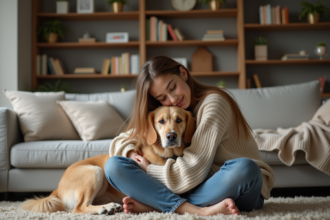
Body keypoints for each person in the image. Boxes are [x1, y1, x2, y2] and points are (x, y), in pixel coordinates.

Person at [104, 56, 275, 216]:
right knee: (113, 166)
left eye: (172, 87)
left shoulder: (214, 103)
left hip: (236, 187)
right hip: (197, 187)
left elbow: (191, 172)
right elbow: (121, 140)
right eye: (162, 97)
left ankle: (159, 205)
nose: (172, 99)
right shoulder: (171, 111)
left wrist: (148, 168)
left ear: (183, 74)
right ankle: (195, 208)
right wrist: (131, 153)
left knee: (246, 168)